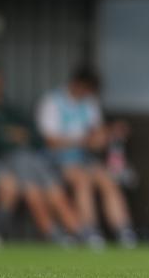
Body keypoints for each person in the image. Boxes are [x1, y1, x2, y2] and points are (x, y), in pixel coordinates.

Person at [36, 66, 137, 248]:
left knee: (107, 179)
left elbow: (95, 135)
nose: (86, 94)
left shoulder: (90, 102)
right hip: (57, 160)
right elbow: (50, 141)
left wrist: (110, 133)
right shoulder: (52, 101)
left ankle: (124, 230)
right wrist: (81, 141)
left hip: (85, 159)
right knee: (83, 180)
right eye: (85, 89)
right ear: (76, 84)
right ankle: (89, 230)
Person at [0, 64, 84, 245]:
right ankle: (56, 236)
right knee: (31, 192)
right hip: (8, 161)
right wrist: (10, 135)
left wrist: (14, 134)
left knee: (54, 190)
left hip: (30, 158)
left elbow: (35, 137)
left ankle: (81, 234)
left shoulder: (8, 107)